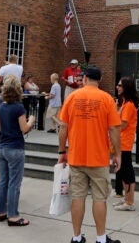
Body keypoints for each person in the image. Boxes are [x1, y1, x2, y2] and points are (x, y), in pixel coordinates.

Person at [57, 65, 122, 243]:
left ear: (84, 79)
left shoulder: (72, 97)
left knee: (77, 197)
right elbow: (114, 129)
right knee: (99, 198)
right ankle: (101, 239)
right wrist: (117, 154)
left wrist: (62, 151)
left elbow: (63, 127)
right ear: (99, 80)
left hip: (76, 156)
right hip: (98, 158)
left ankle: (76, 237)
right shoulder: (107, 99)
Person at [0, 75, 36, 227]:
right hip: (15, 148)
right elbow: (24, 129)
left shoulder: (1, 106)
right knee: (14, 183)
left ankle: (1, 212)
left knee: (3, 181)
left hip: (1, 147)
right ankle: (13, 215)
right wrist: (31, 120)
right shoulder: (19, 107)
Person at [113, 77, 139, 212]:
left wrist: (111, 126)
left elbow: (123, 124)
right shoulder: (125, 103)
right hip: (121, 142)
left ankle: (129, 202)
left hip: (125, 143)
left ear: (126, 88)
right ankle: (127, 199)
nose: (117, 87)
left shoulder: (129, 105)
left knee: (127, 172)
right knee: (123, 172)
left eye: (120, 85)